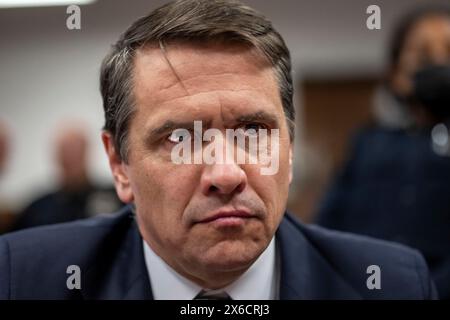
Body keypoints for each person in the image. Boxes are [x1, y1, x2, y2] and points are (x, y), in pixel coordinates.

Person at [0, 0, 437, 299]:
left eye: (253, 130)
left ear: (290, 148)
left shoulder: (393, 283)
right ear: (119, 165)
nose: (226, 174)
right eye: (178, 139)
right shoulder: (24, 278)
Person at [316, 6, 450, 299]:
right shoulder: (368, 143)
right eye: (423, 56)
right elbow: (328, 225)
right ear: (396, 71)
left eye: (448, 53)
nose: (439, 64)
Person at [12, 124, 123, 230]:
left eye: (76, 151)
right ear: (57, 157)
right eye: (66, 152)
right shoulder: (38, 209)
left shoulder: (115, 196)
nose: (71, 158)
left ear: (86, 152)